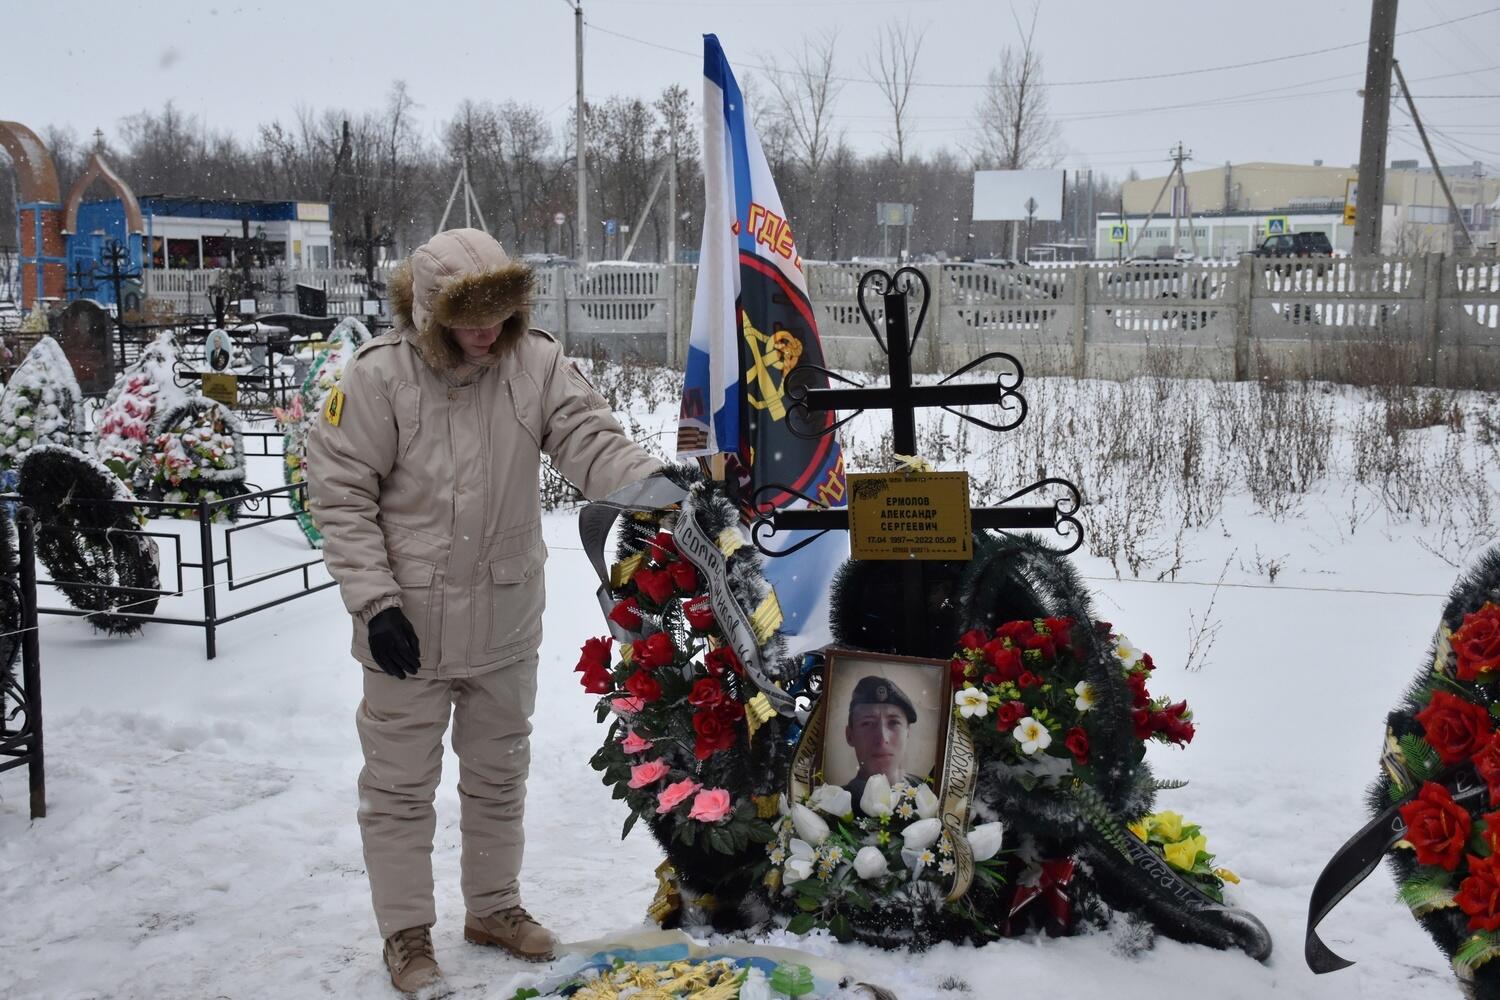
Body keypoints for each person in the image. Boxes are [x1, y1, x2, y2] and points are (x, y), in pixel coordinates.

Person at [307, 227, 662, 997]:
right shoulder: (379, 378)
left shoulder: (532, 362)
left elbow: (588, 440)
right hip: (408, 629)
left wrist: (657, 491)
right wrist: (374, 604)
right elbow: (340, 494)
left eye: (500, 316)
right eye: (470, 319)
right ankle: (406, 935)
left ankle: (494, 908)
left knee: (499, 775)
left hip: (504, 619)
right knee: (399, 789)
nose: (487, 334)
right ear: (431, 312)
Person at [841, 674, 925, 816]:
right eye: (867, 723)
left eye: (893, 722)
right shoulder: (838, 803)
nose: (882, 738)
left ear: (907, 732)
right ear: (850, 736)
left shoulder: (924, 790)